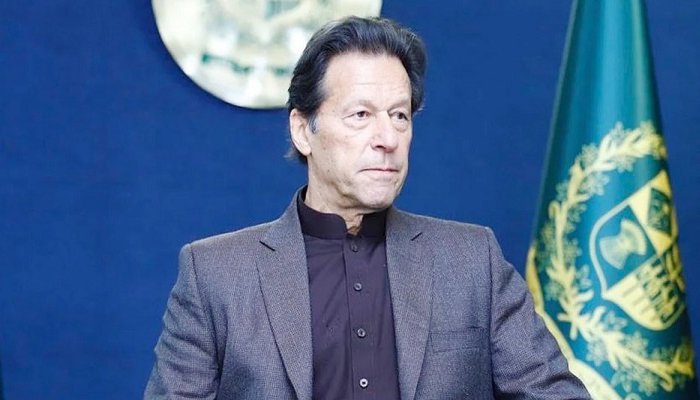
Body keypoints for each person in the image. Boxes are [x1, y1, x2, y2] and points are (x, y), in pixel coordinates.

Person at [144, 16, 591, 400]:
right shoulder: (215, 275)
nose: (388, 138)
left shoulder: (473, 261)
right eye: (361, 115)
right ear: (303, 130)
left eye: (400, 115)